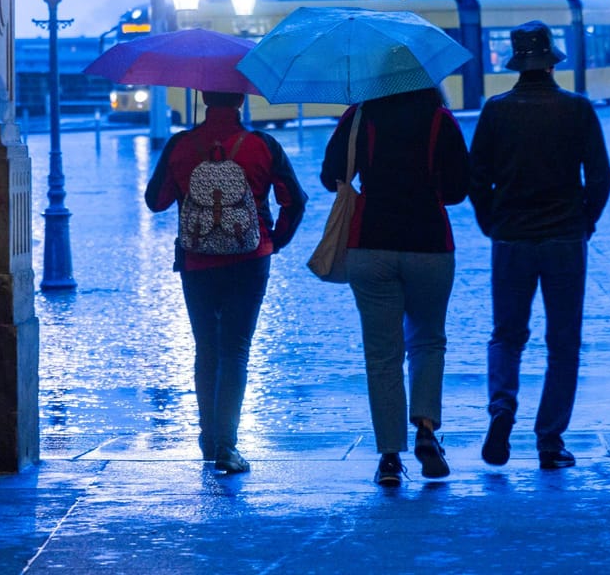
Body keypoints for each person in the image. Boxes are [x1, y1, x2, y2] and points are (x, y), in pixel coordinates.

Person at [469, 21, 610, 470]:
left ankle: (502, 408)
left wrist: (492, 222)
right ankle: (550, 440)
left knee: (506, 335)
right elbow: (601, 177)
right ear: (552, 62)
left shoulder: (496, 110)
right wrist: (583, 222)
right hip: (565, 239)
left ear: (517, 63)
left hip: (511, 238)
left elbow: (476, 179)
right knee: (563, 341)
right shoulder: (577, 109)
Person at [145, 90, 307, 475]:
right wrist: (274, 240)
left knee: (207, 349)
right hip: (250, 260)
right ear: (240, 100)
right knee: (236, 350)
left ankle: (208, 438)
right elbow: (295, 200)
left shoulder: (181, 145)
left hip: (197, 262)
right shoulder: (262, 145)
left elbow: (156, 201)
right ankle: (227, 446)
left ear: (202, 97)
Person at [322, 85, 471, 486]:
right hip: (430, 245)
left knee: (382, 354)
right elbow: (458, 191)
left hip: (369, 245)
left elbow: (330, 177)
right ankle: (425, 430)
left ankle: (389, 456)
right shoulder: (440, 119)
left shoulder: (358, 116)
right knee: (427, 341)